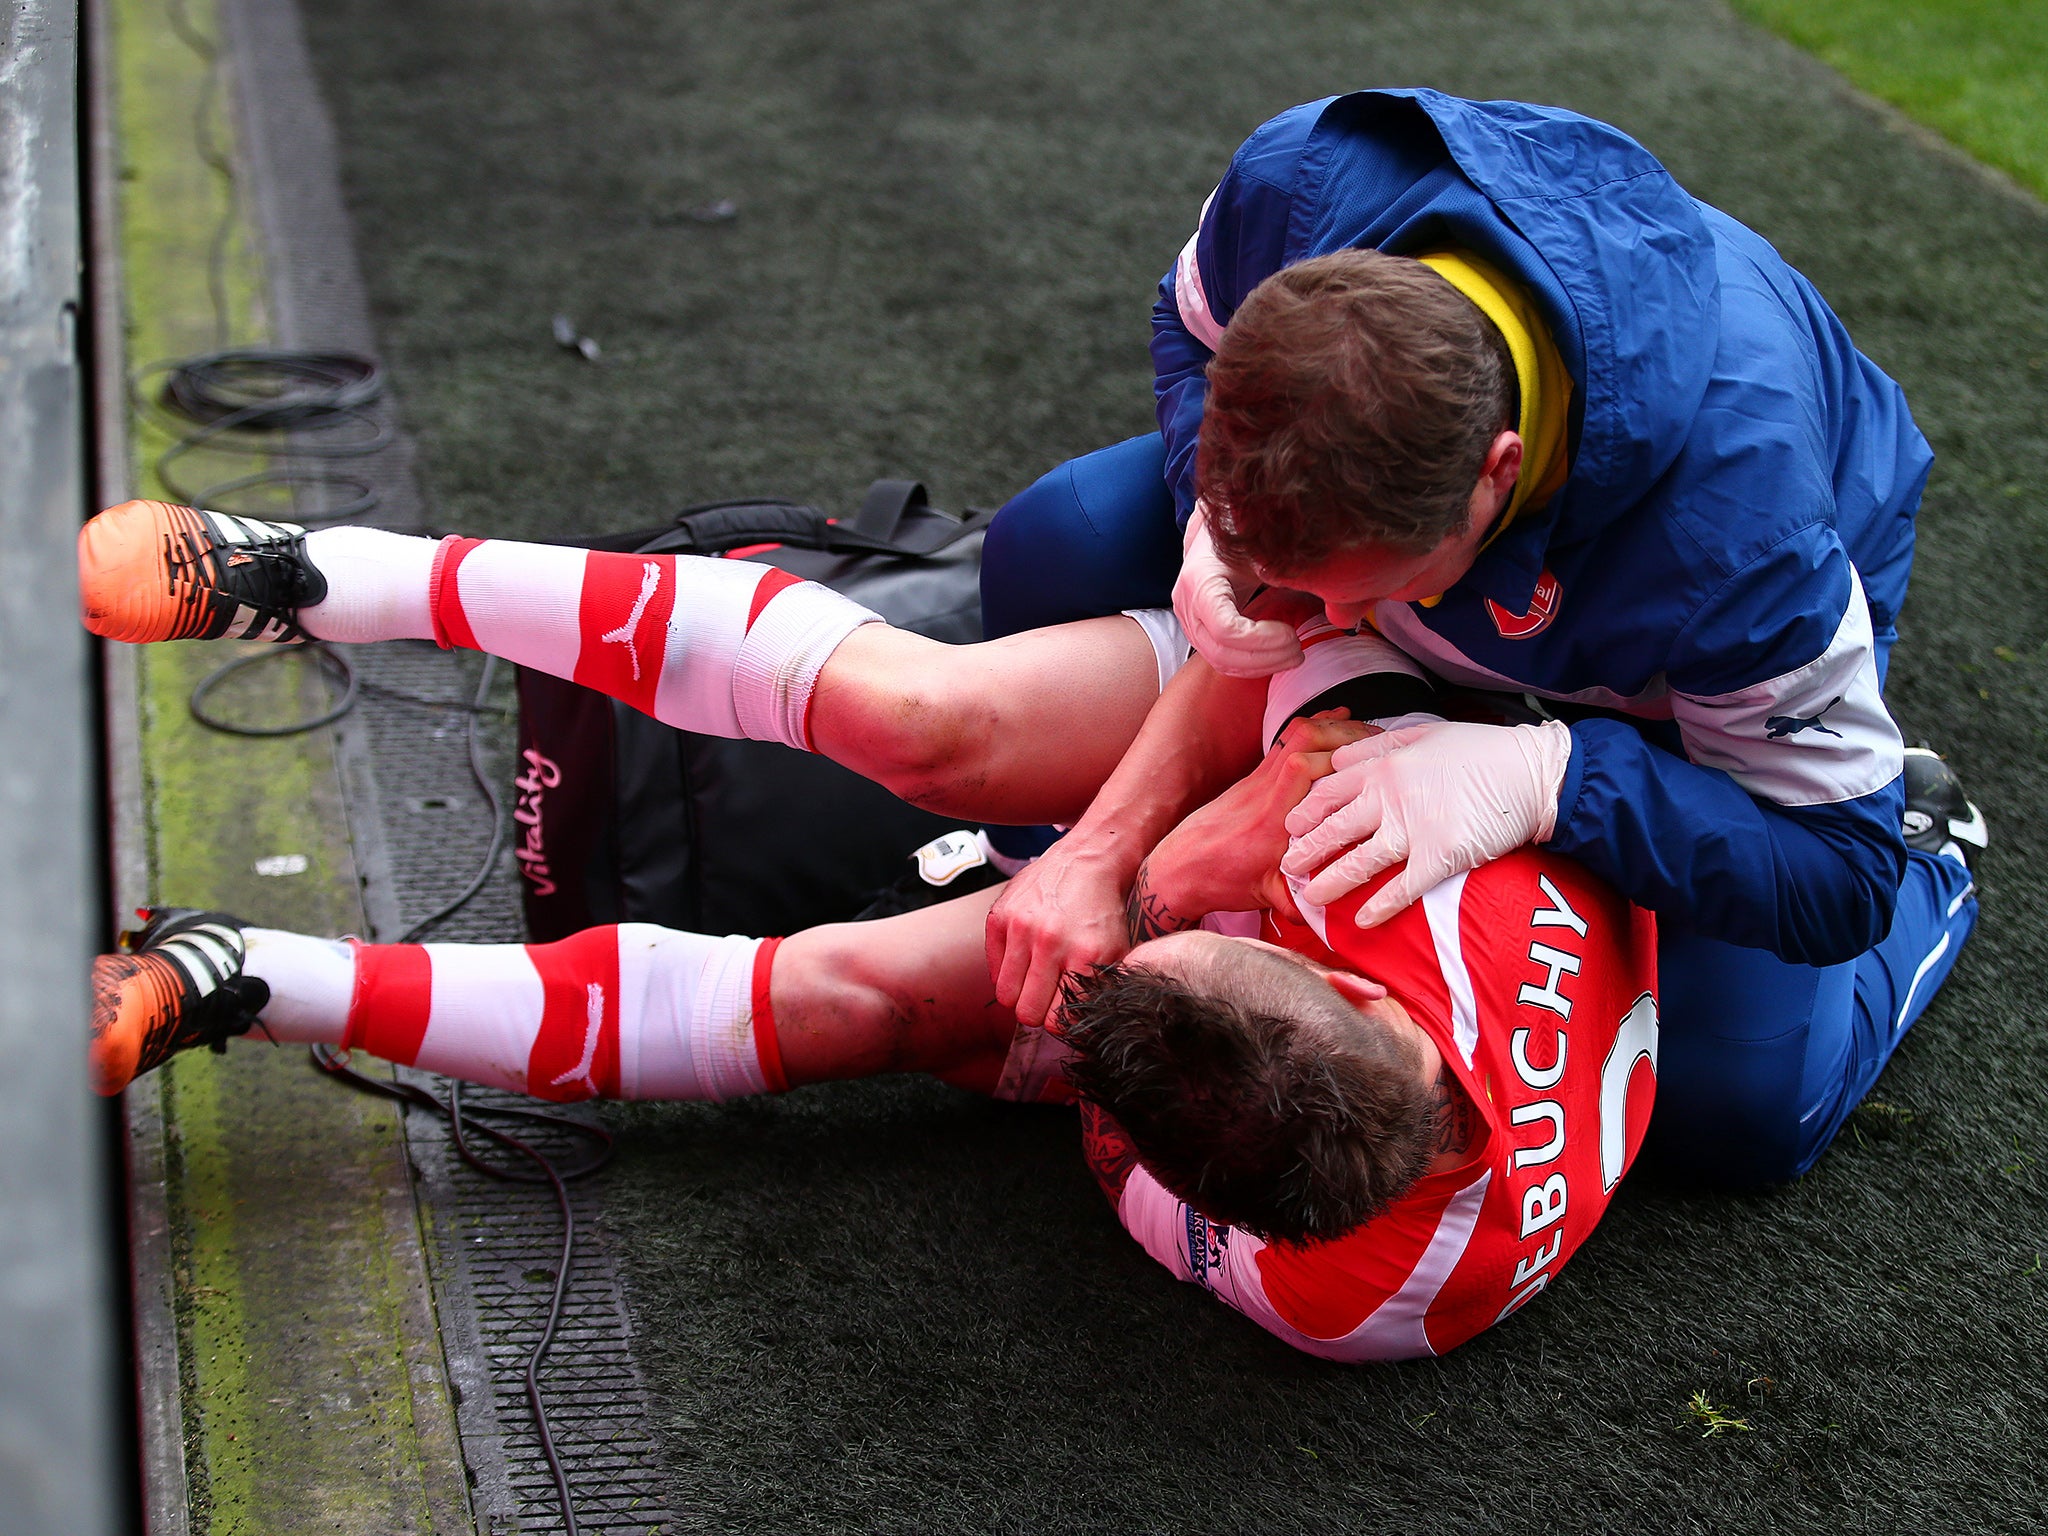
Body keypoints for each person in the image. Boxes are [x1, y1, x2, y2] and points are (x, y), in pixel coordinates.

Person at [78, 499, 1656, 1359]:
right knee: (931, 720)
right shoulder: (1420, 856)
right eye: (1189, 933)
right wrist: (1134, 859)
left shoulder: (1350, 1297)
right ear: (1320, 957)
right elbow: (1279, 640)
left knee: (855, 1007)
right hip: (1335, 702)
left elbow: (1143, 1157)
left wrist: (1057, 1040)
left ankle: (248, 979)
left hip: (1291, 892)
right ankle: (315, 570)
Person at [972, 88, 1989, 1187]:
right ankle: (1028, 913)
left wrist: (1553, 775)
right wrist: (1200, 521)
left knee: (1736, 1107)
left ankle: (1937, 836)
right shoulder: (1295, 185)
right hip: (1529, 505)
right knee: (1051, 542)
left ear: (1494, 476)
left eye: (1353, 590)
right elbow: (1190, 326)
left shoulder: (1739, 541)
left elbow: (1831, 877)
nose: (1294, 612)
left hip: (1697, 624)